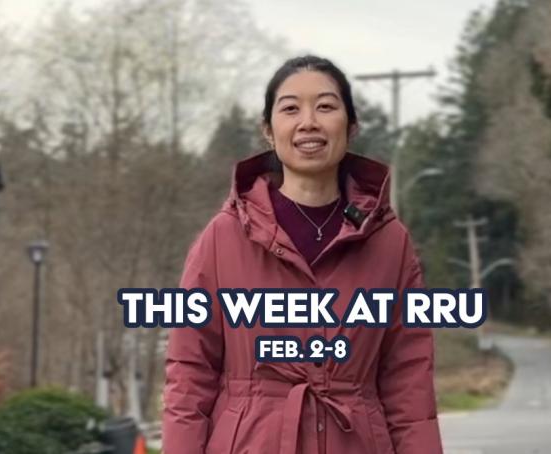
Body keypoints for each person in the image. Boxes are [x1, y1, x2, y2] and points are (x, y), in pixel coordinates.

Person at [161, 55, 442, 454]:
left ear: (351, 126)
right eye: (290, 108)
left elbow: (409, 379)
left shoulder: (389, 242)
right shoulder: (222, 238)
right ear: (269, 131)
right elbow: (189, 374)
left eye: (325, 107)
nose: (308, 122)